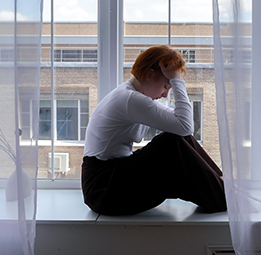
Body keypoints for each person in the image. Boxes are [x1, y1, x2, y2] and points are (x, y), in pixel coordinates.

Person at [81, 46, 227, 216]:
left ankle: (222, 185)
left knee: (178, 138)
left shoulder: (131, 95)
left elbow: (182, 127)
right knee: (170, 143)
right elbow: (185, 125)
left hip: (109, 179)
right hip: (102, 188)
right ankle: (223, 194)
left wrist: (174, 80)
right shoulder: (131, 99)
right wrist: (177, 80)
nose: (165, 94)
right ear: (149, 74)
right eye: (166, 86)